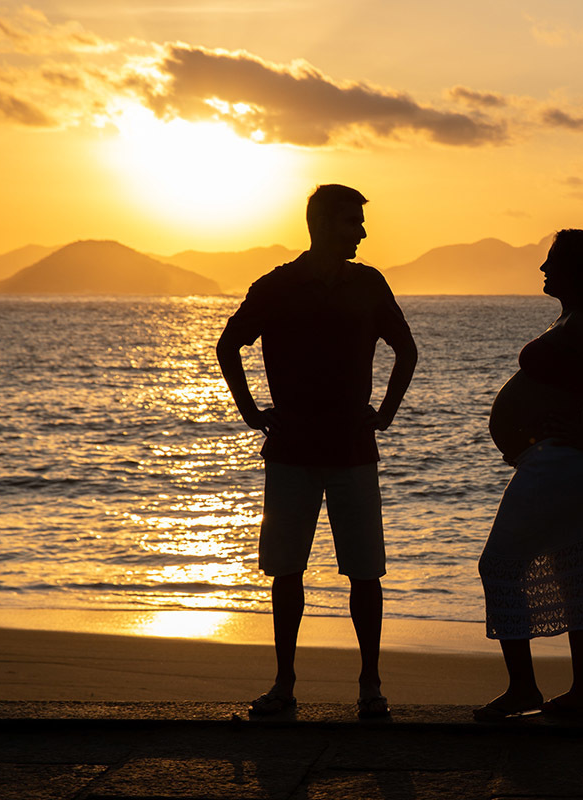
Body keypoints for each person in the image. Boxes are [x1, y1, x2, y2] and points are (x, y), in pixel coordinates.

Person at [216, 184, 417, 718]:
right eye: (353, 222)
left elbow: (407, 351)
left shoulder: (368, 284)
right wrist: (250, 412)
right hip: (292, 450)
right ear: (323, 223)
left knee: (365, 572)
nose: (363, 232)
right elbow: (228, 345)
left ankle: (370, 686)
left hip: (353, 449)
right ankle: (285, 685)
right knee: (287, 571)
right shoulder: (278, 285)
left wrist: (386, 414)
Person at [475, 228, 583, 721]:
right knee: (575, 573)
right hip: (561, 460)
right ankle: (581, 695)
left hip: (566, 461)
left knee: (500, 565)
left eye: (550, 262)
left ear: (575, 271)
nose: (542, 270)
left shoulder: (581, 324)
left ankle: (526, 689)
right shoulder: (570, 321)